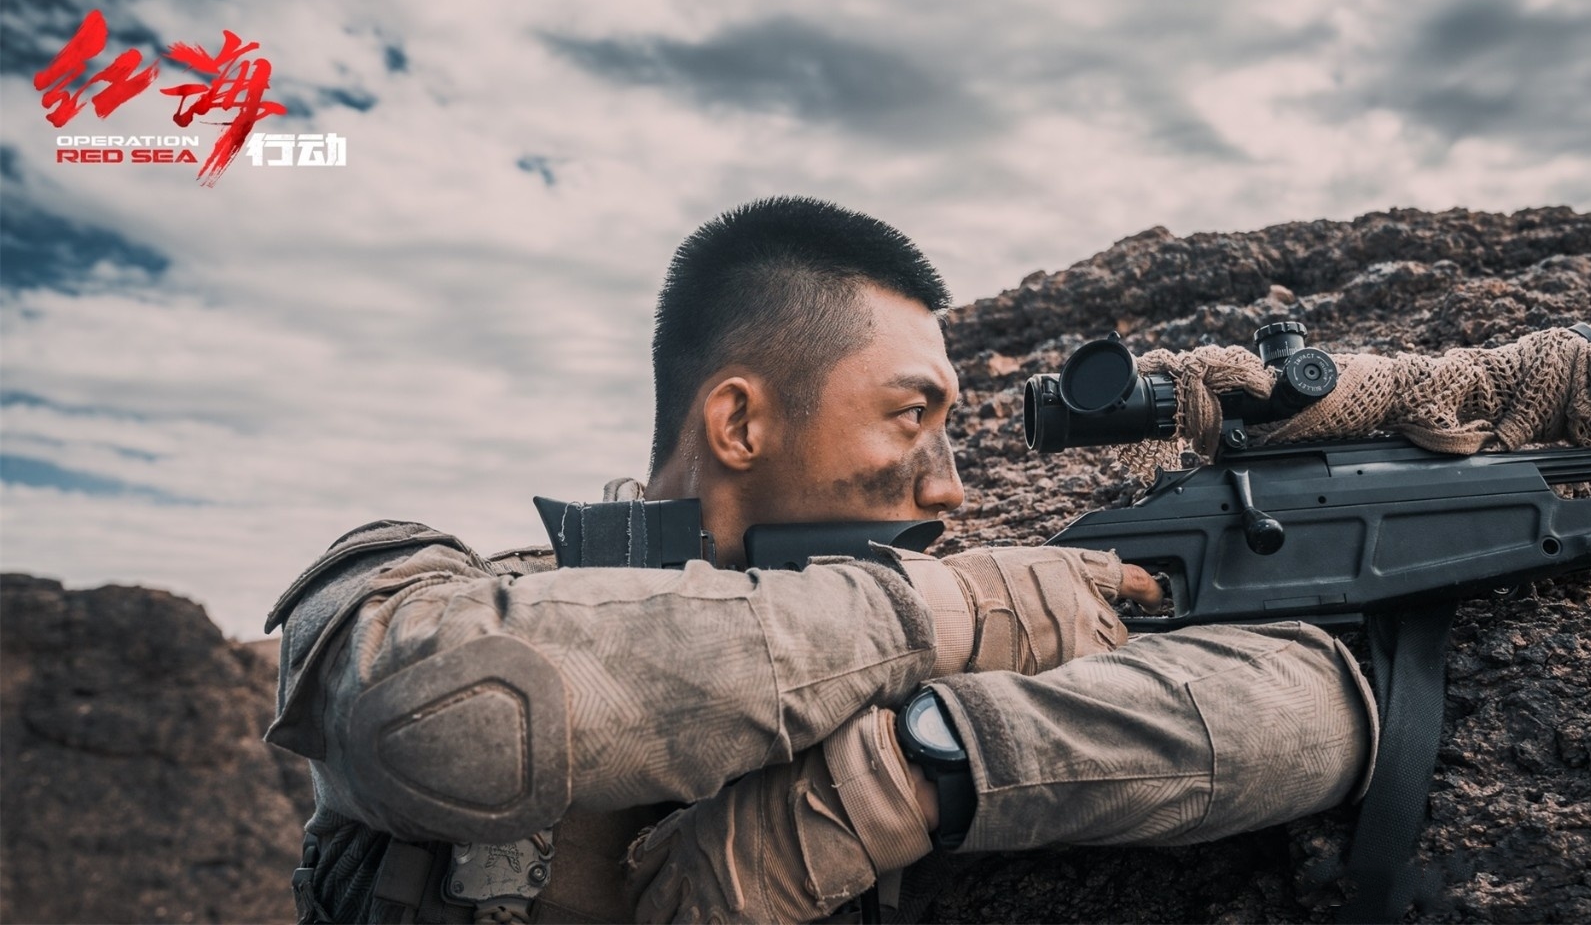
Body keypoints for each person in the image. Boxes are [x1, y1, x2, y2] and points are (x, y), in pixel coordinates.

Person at [265, 197, 1375, 924]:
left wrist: (893, 780)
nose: (948, 486)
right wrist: (943, 615)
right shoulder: (420, 591)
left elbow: (1314, 712)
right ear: (740, 424)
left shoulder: (936, 617)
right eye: (907, 418)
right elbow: (430, 713)